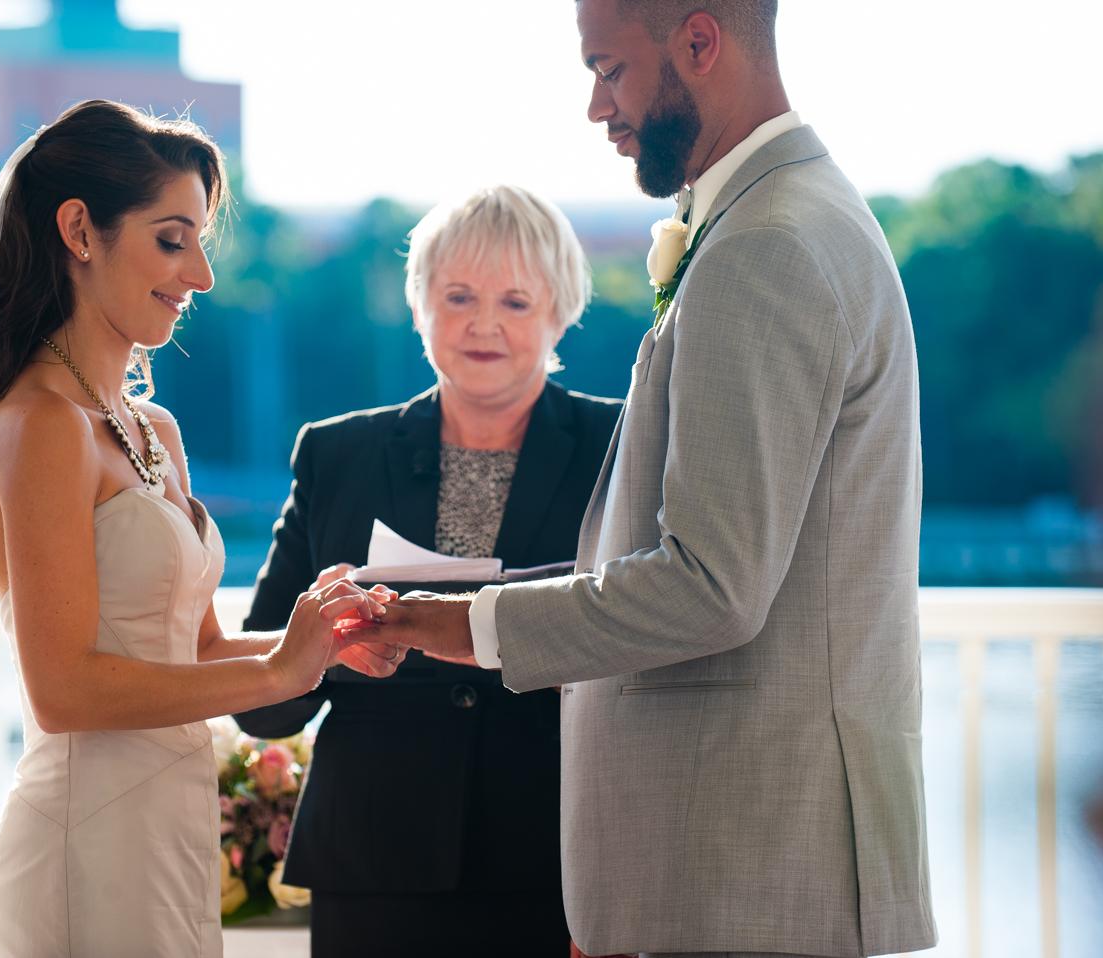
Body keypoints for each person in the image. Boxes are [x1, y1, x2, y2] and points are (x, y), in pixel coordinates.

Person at [364, 3, 937, 957]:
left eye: (610, 69)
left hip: (746, 867)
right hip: (737, 861)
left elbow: (711, 586)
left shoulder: (767, 247)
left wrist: (452, 622)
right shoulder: (783, 218)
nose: (597, 106)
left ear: (700, 43)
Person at [0, 100, 397, 958]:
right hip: (82, 843)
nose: (200, 274)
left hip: (168, 837)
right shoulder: (40, 424)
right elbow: (64, 693)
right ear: (79, 231)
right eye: (173, 239)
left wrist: (319, 640)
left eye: (201, 240)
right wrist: (279, 669)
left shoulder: (151, 429)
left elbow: (195, 649)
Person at [233, 185, 621, 958]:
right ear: (420, 306)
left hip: (560, 863)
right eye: (458, 296)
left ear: (561, 311)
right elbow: (261, 700)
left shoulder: (625, 446)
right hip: (372, 865)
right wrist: (323, 648)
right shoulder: (335, 453)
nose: (484, 324)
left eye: (515, 300)